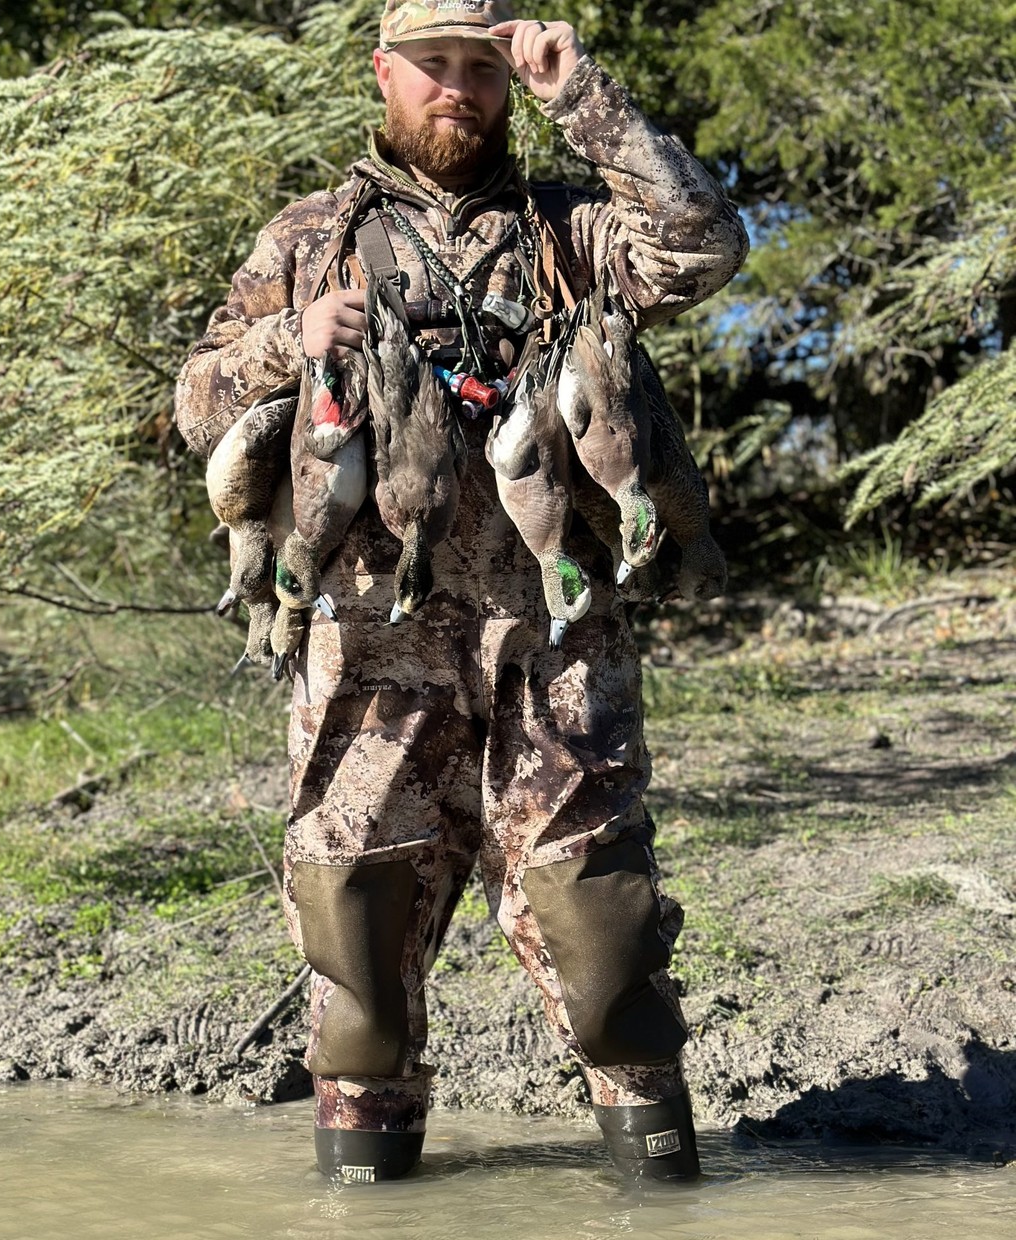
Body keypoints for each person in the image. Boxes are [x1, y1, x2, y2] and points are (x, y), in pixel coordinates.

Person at [177, 0, 748, 1184]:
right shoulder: (308, 235)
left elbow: (700, 246)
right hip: (365, 669)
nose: (458, 90)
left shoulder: (571, 229)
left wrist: (575, 91)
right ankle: (366, 1190)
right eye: (432, 66)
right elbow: (197, 409)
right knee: (358, 977)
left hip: (556, 653)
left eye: (481, 69)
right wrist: (289, 337)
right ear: (381, 72)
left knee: (607, 961)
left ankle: (660, 1188)